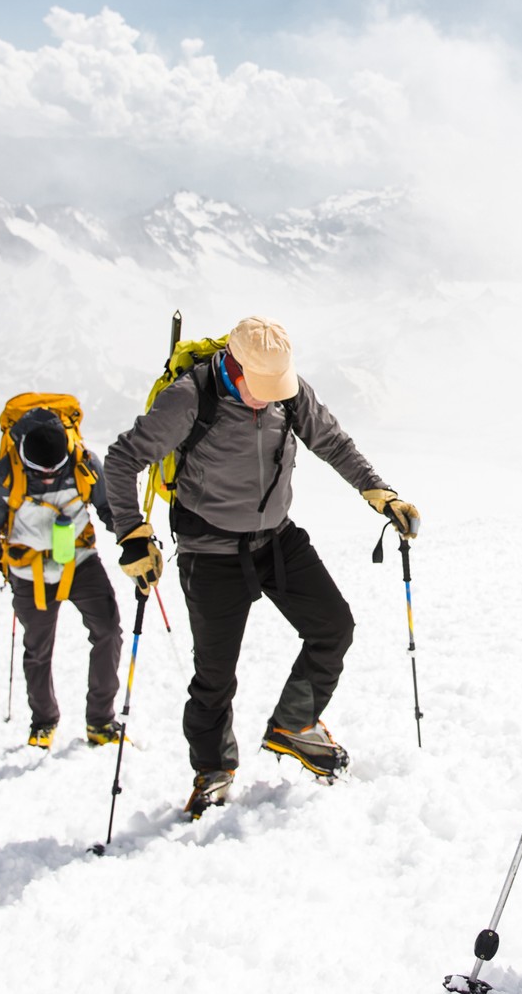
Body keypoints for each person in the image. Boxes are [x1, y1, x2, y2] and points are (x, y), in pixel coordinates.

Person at [104, 315, 420, 820]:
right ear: (234, 365)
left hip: (276, 540)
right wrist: (131, 534)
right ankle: (212, 771)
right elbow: (121, 460)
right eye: (261, 388)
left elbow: (332, 442)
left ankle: (294, 724)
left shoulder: (288, 392)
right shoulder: (189, 399)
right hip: (209, 552)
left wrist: (377, 490)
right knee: (214, 677)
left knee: (333, 626)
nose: (270, 397)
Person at [0, 401, 122, 751]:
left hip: (79, 561)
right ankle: (43, 721)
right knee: (38, 649)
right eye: (42, 472)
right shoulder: (5, 473)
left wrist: (130, 536)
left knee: (108, 632)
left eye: (56, 470)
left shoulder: (84, 462)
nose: (50, 477)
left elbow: (108, 506)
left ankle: (101, 720)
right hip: (28, 570)